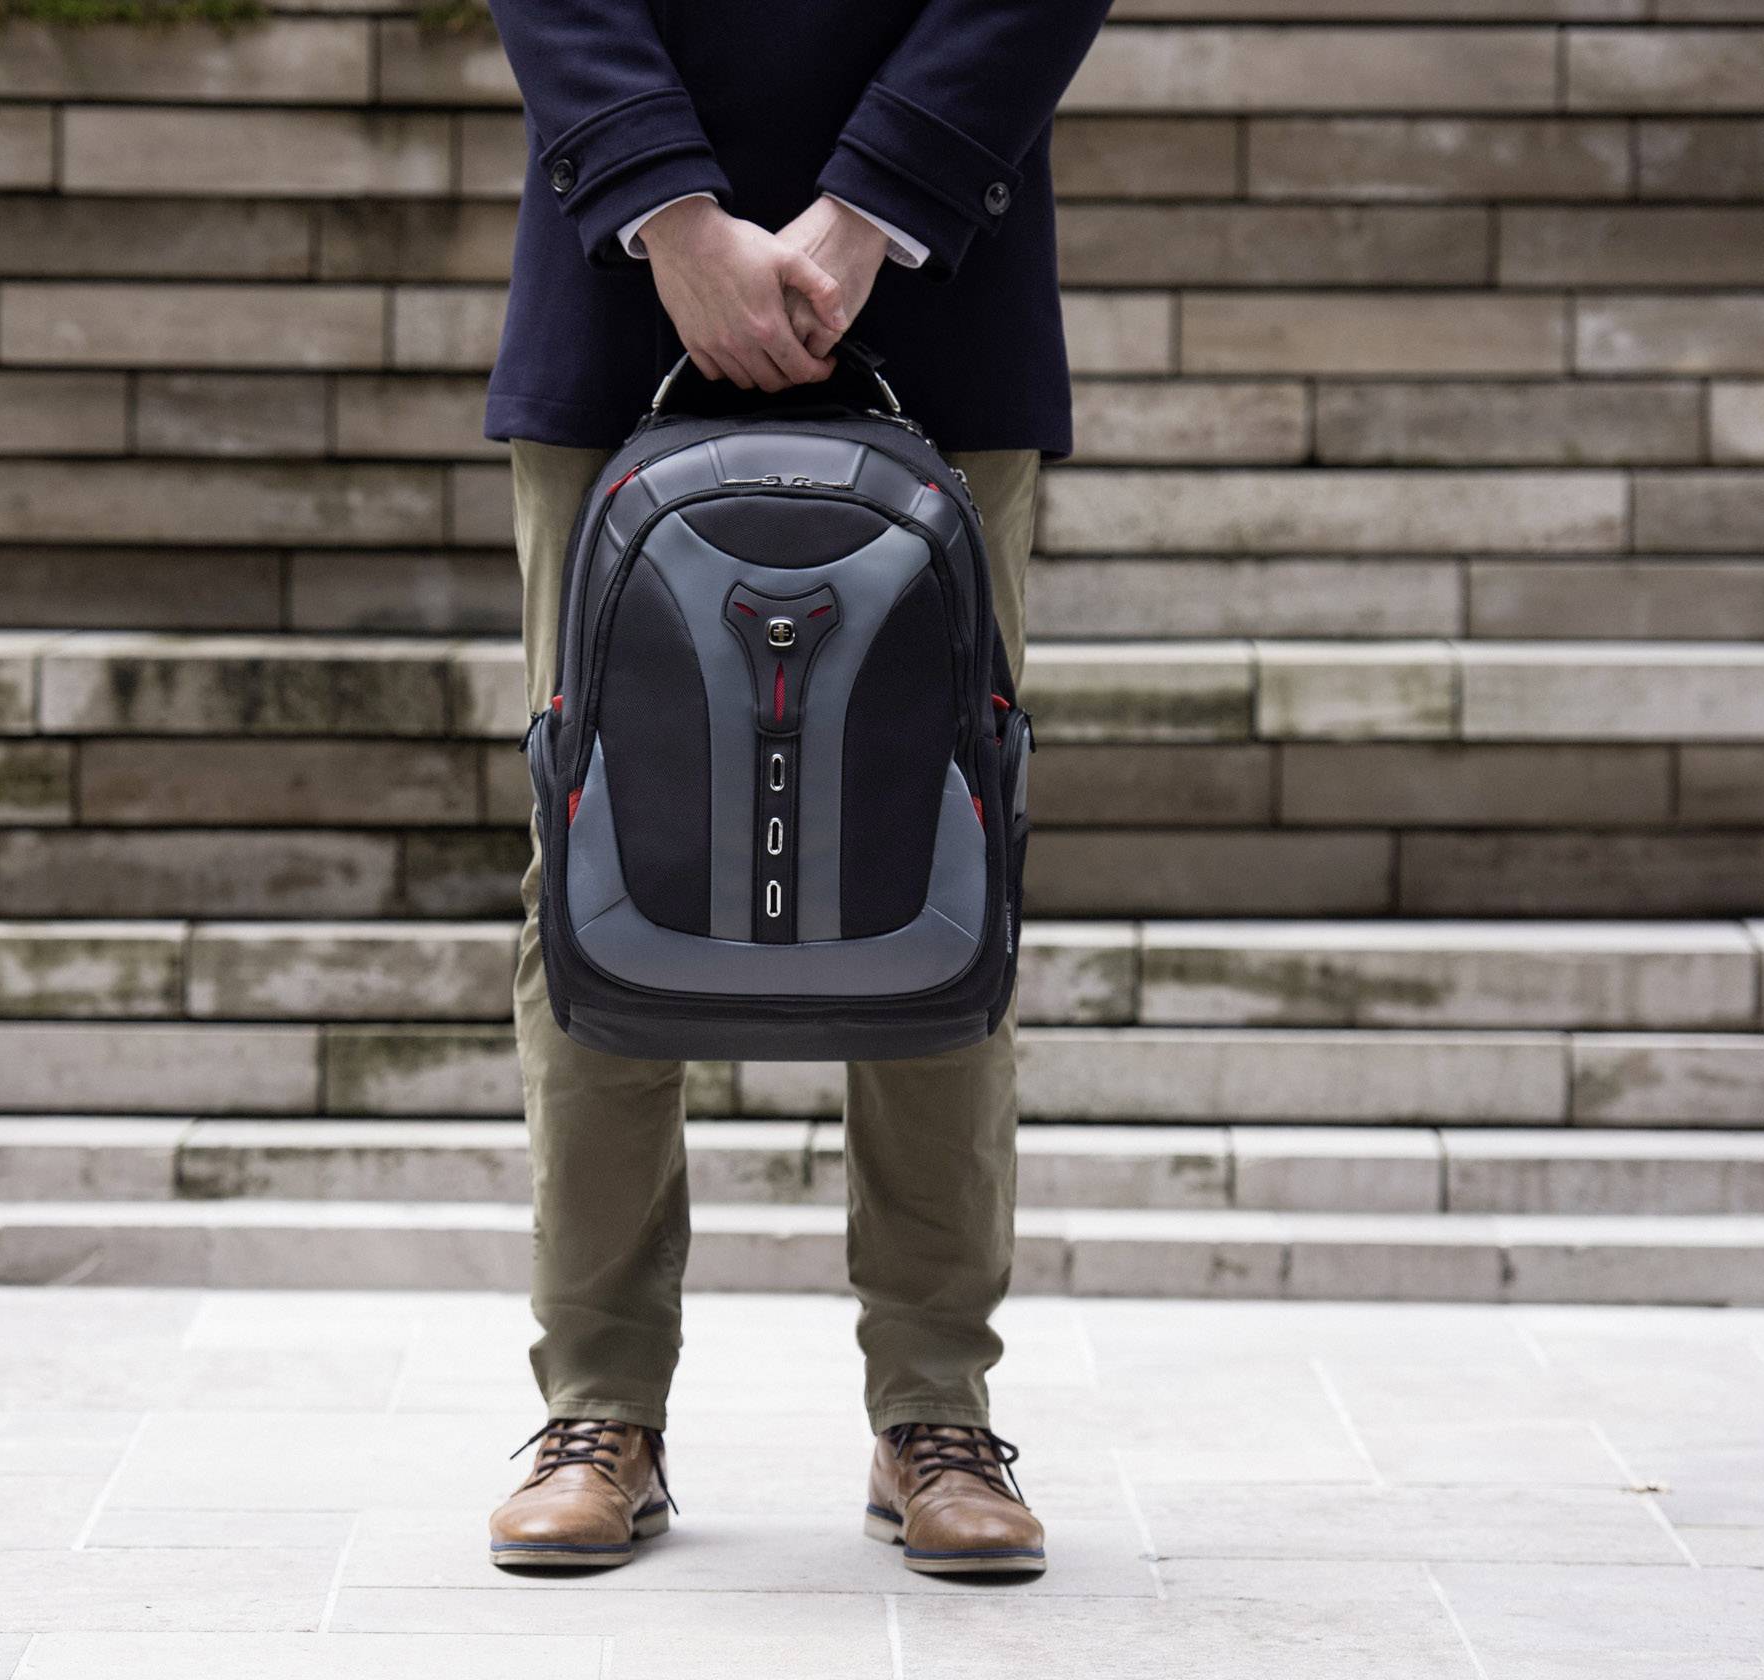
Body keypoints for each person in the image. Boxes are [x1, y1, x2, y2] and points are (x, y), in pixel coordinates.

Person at [480, 0, 1114, 1575]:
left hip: (938, 277)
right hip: (619, 274)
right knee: (597, 839)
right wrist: (668, 208)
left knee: (943, 835)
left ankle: (936, 1412)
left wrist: (875, 206)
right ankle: (599, 1409)